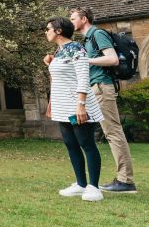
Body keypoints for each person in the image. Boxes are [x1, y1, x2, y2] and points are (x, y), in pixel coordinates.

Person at [69, 7, 137, 194]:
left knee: (113, 132)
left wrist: (85, 60)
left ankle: (125, 180)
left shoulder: (97, 34)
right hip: (93, 88)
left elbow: (112, 59)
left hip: (102, 88)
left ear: (84, 19)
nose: (71, 21)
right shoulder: (87, 39)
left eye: (73, 18)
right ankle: (85, 181)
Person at [43, 16, 105, 202]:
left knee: (86, 144)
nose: (46, 32)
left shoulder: (76, 49)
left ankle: (94, 187)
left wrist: (81, 106)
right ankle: (80, 184)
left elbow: (83, 78)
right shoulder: (61, 51)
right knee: (71, 144)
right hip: (63, 108)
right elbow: (63, 78)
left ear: (59, 31)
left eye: (48, 29)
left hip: (76, 106)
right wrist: (50, 63)